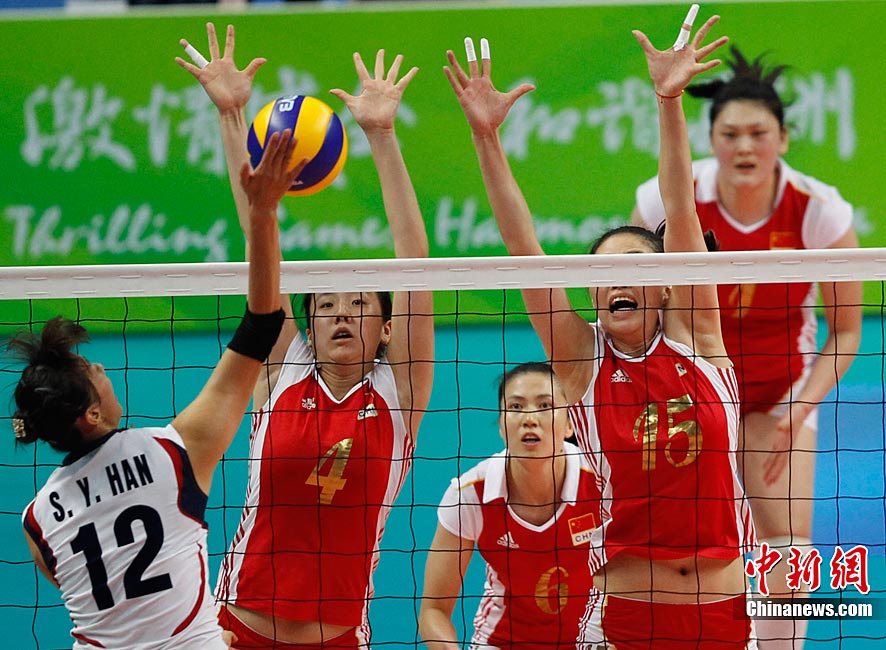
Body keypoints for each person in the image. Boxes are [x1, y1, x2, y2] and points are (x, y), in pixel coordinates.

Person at [444, 14, 757, 649]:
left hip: (723, 616)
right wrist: (485, 138)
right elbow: (523, 246)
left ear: (665, 285)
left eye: (636, 265)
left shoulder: (698, 336)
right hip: (626, 618)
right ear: (591, 291)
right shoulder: (580, 362)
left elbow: (679, 204)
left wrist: (669, 101)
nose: (619, 279)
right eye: (604, 271)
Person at [176, 24, 434, 648]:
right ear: (307, 327)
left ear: (386, 329)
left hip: (337, 637)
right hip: (235, 629)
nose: (341, 313)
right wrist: (232, 116)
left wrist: (382, 135)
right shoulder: (281, 367)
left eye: (359, 304)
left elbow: (415, 260)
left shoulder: (400, 394)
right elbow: (257, 231)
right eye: (324, 305)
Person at [13, 129, 299, 649]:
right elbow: (262, 324)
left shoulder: (37, 519)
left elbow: (92, 594)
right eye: (92, 371)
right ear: (90, 415)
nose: (102, 366)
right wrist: (263, 213)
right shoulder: (173, 453)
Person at [630, 45, 862, 650]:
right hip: (691, 388)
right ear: (710, 141)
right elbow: (637, 304)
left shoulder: (820, 212)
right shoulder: (663, 200)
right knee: (673, 539)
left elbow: (846, 333)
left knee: (786, 541)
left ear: (782, 139)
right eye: (729, 134)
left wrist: (796, 413)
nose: (744, 147)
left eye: (759, 133)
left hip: (777, 392)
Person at [419, 362, 602, 649]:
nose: (529, 418)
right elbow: (433, 611)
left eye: (545, 405)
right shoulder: (470, 493)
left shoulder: (603, 480)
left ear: (570, 424)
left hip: (592, 640)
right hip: (502, 641)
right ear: (502, 426)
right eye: (516, 407)